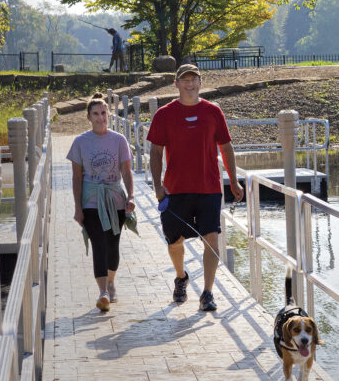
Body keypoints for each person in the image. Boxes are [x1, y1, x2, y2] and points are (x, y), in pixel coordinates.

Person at [147, 64, 244, 311]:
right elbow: (156, 152)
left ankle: (208, 293)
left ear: (200, 83)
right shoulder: (164, 115)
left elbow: (226, 147)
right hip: (176, 189)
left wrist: (233, 180)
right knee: (174, 241)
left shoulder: (213, 112)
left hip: (209, 186)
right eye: (185, 80)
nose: (190, 84)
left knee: (211, 239)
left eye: (194, 80)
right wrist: (157, 185)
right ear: (176, 84)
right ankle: (181, 277)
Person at [68, 92, 136, 311]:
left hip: (115, 199)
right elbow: (77, 177)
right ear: (88, 117)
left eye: (103, 113)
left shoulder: (119, 140)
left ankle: (111, 282)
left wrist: (131, 196)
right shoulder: (80, 142)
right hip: (91, 200)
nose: (100, 118)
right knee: (98, 243)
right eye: (95, 114)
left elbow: (126, 171)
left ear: (109, 114)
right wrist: (78, 208)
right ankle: (102, 292)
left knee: (112, 244)